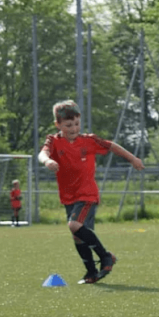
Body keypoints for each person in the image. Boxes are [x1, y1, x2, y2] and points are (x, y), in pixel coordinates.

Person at [38, 100, 144, 284]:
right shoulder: (54, 141)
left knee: (74, 225)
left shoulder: (89, 141)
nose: (74, 128)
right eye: (68, 125)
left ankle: (106, 257)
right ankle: (91, 272)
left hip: (87, 195)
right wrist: (47, 161)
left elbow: (111, 146)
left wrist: (132, 158)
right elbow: (43, 153)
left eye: (77, 123)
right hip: (68, 197)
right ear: (58, 125)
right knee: (77, 236)